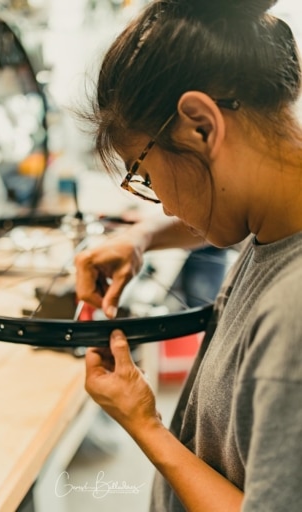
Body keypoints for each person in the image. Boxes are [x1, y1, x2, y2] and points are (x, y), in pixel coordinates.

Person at [74, 0, 302, 510]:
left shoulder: (293, 321)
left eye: (147, 176)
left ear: (200, 125)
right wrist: (143, 237)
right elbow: (225, 202)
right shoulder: (281, 207)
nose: (167, 203)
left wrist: (144, 424)